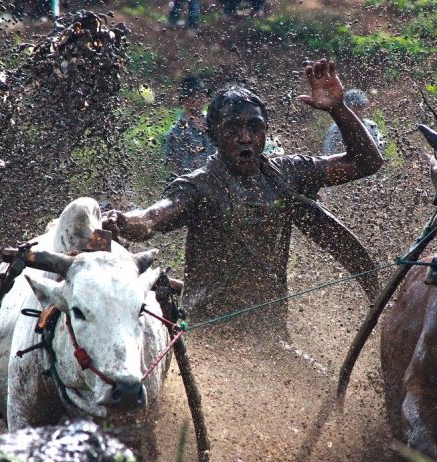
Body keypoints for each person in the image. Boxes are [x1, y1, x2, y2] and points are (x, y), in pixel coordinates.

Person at [104, 59, 383, 340]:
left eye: (255, 127)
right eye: (233, 128)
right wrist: (123, 221)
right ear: (212, 133)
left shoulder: (289, 172)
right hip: (207, 338)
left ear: (265, 131)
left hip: (271, 338)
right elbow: (153, 218)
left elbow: (367, 163)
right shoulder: (198, 187)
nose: (245, 137)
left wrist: (338, 109)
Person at [162, 75, 215, 175]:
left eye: (202, 95)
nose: (200, 100)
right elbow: (171, 165)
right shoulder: (176, 132)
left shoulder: (214, 122)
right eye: (195, 96)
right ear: (185, 100)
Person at [322, 89, 383, 155]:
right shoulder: (336, 129)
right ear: (346, 109)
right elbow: (329, 154)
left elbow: (380, 148)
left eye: (361, 107)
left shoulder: (370, 126)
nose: (359, 111)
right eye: (356, 107)